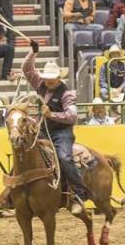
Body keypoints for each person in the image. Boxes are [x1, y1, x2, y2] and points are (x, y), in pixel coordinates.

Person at [20, 40, 87, 214]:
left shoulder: (67, 94)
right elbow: (27, 69)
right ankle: (11, 194)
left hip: (61, 133)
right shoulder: (40, 83)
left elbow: (72, 116)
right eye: (47, 78)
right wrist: (33, 52)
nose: (49, 81)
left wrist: (52, 115)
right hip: (42, 130)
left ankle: (79, 194)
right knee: (25, 152)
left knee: (64, 158)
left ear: (58, 78)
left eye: (52, 79)